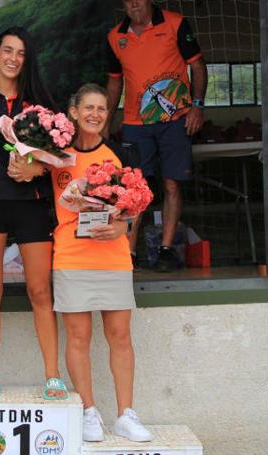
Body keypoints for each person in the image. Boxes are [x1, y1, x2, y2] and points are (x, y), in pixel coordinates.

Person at [0, 26, 67, 400]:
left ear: (27, 59)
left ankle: (53, 375)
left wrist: (36, 170)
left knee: (40, 290)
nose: (13, 58)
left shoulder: (39, 101)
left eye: (20, 53)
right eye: (7, 51)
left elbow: (59, 154)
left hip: (32, 204)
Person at [51, 83, 153, 442]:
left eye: (102, 109)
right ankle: (88, 412)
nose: (95, 114)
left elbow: (134, 206)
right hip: (71, 256)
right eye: (88, 108)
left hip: (112, 258)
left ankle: (126, 414)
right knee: (78, 337)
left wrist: (123, 226)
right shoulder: (55, 156)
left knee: (120, 336)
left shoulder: (118, 154)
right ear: (74, 112)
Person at [105, 0, 207, 272]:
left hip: (175, 120)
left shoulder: (175, 22)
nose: (134, 3)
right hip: (135, 124)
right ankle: (129, 252)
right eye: (128, 0)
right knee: (135, 188)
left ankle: (166, 248)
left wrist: (197, 107)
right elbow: (115, 81)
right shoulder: (115, 36)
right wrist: (106, 120)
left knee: (172, 184)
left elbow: (197, 65)